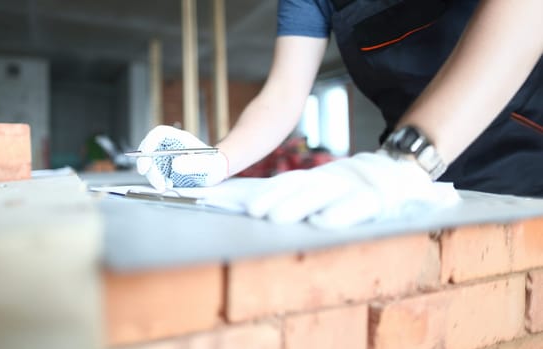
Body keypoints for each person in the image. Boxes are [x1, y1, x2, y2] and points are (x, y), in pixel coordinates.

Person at [136, 0, 543, 227]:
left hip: (523, 160)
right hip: (418, 181)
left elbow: (526, 14)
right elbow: (282, 95)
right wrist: (217, 159)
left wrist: (409, 158)